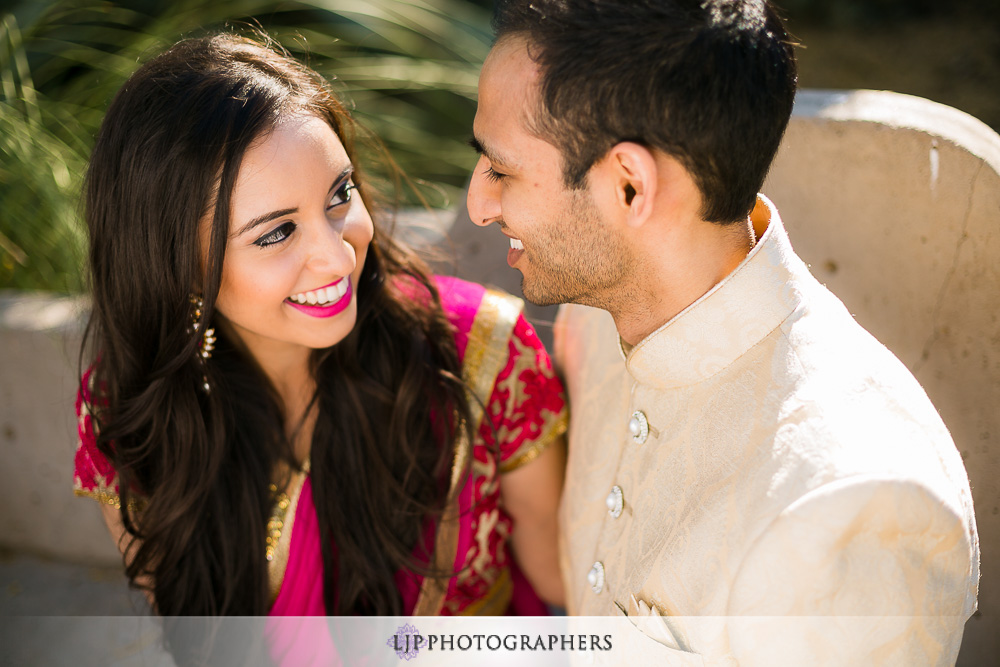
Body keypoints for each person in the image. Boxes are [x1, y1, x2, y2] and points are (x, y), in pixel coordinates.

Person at [468, 0, 979, 663]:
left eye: (502, 171)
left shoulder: (851, 505)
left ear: (629, 186)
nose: (479, 204)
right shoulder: (592, 324)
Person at [72, 32, 568, 622]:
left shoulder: (481, 351)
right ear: (175, 268)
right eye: (276, 233)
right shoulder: (133, 414)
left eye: (339, 194)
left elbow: (564, 591)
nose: (338, 258)